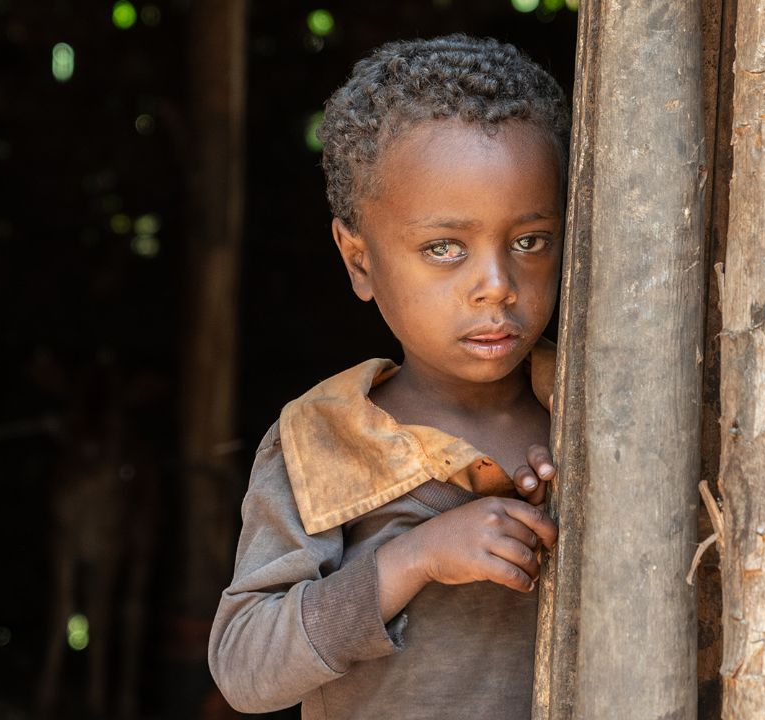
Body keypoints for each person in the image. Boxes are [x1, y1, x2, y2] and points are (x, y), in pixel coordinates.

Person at [208, 35, 570, 719]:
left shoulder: (592, 415)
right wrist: (414, 559)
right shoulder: (323, 443)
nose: (496, 286)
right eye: (444, 249)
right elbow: (245, 665)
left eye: (529, 241)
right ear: (359, 260)